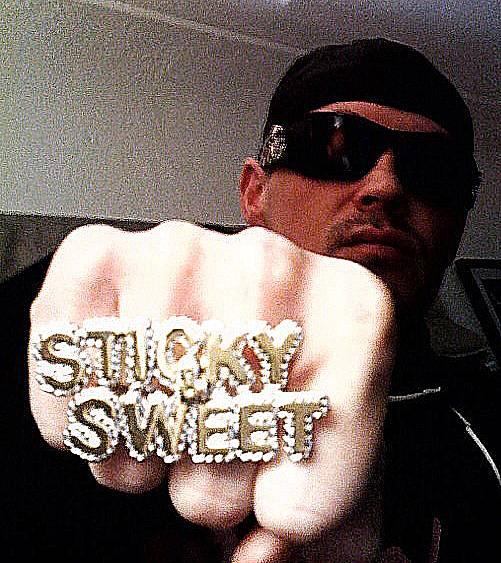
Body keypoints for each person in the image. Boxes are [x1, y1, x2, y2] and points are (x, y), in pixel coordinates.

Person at [4, 38, 500, 562]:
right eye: (335, 147)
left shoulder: (485, 420)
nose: (386, 186)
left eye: (435, 171)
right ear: (255, 193)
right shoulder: (105, 332)